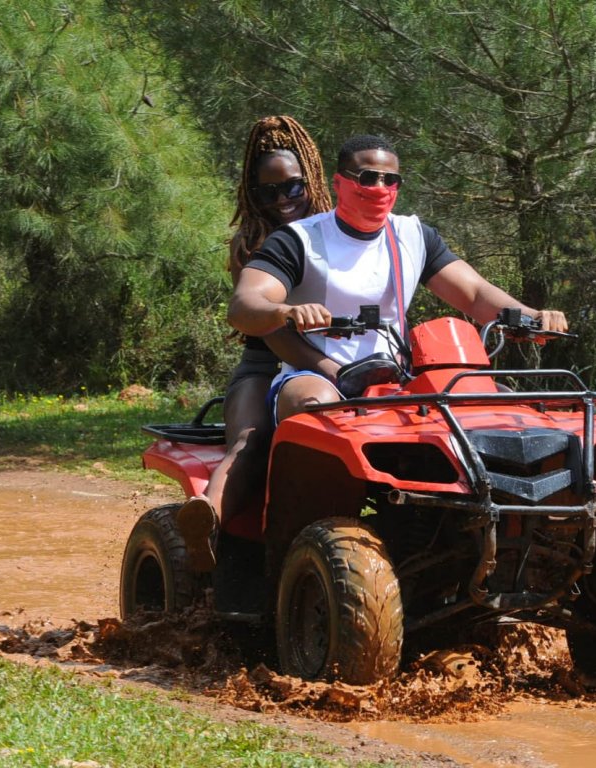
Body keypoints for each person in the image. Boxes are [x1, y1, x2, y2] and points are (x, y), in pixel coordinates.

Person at [227, 133, 568, 424]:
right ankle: (305, 499)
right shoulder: (298, 239)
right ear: (339, 183)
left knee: (501, 404)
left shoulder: (413, 235)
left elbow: (475, 294)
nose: (379, 188)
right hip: (320, 375)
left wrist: (533, 317)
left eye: (390, 181)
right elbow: (245, 304)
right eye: (367, 178)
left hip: (397, 376)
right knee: (313, 405)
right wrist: (285, 312)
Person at [177, 115, 333, 573]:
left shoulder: (337, 236)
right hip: (265, 360)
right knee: (251, 437)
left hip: (333, 360)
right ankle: (205, 522)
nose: (282, 200)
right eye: (268, 191)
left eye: (292, 188)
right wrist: (326, 368)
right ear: (252, 192)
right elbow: (267, 330)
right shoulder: (251, 243)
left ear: (312, 180)